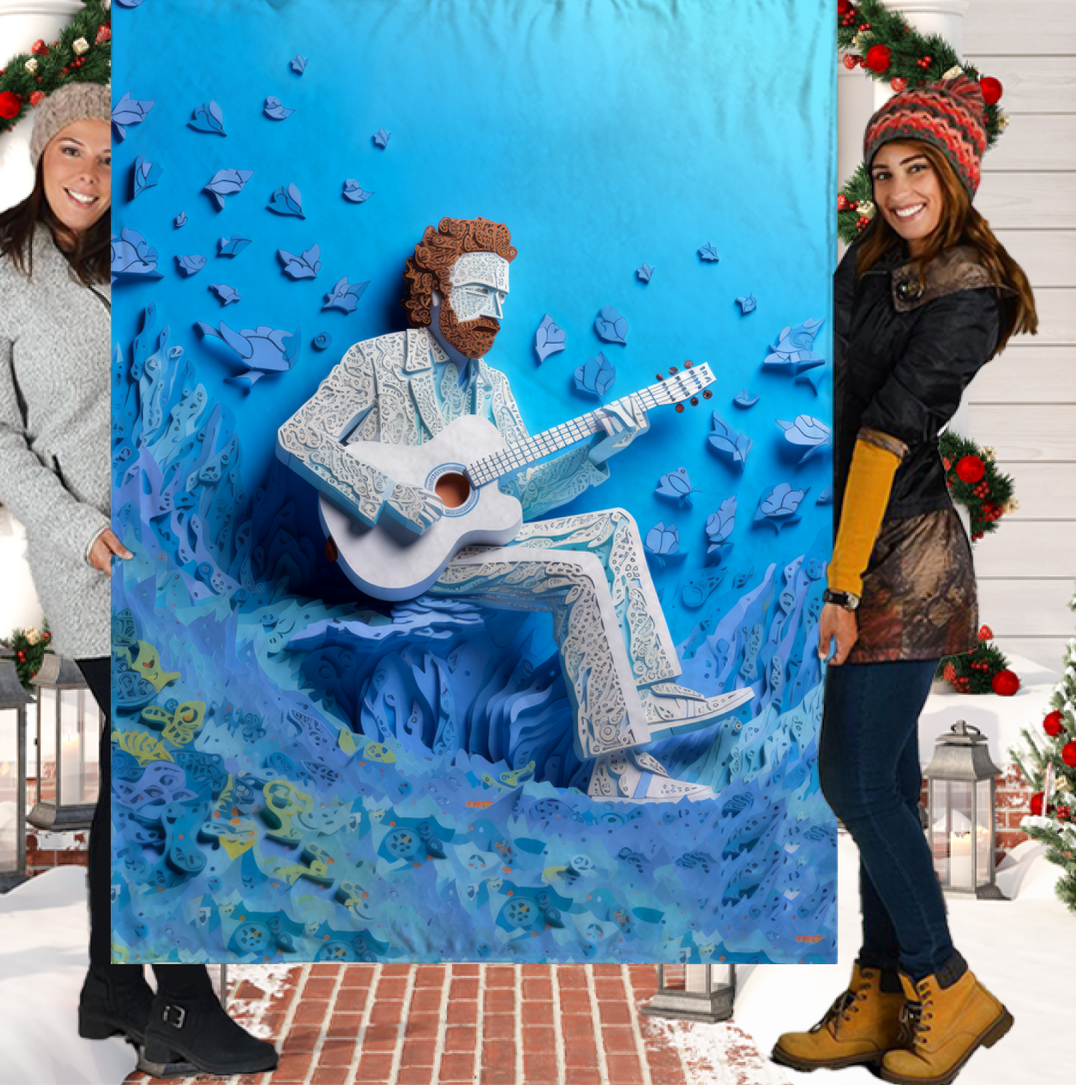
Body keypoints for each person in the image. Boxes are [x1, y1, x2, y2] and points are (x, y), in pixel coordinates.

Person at [0, 83, 278, 1078]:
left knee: (143, 772)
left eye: (107, 156)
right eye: (71, 153)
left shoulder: (149, 257)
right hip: (93, 559)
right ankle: (179, 1000)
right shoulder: (1, 263)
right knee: (163, 768)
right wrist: (72, 526)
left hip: (181, 549)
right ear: (42, 159)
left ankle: (108, 985)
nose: (90, 175)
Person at [278, 215, 753, 801]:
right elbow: (299, 438)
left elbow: (521, 494)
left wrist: (602, 445)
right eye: (479, 293)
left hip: (472, 547)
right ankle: (618, 772)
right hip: (400, 556)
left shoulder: (494, 388)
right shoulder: (374, 362)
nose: (495, 313)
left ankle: (651, 691)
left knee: (616, 524)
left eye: (501, 298)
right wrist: (388, 495)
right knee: (578, 574)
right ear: (433, 292)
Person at [772, 76, 1037, 1084]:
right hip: (852, 536)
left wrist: (841, 588)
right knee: (878, 779)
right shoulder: (873, 263)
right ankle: (882, 992)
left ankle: (946, 981)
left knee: (850, 777)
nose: (895, 189)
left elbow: (887, 432)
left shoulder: (970, 289)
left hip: (907, 558)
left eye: (915, 169)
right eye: (883, 172)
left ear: (955, 175)